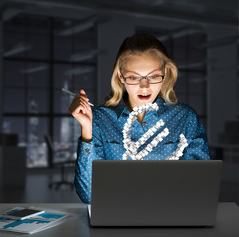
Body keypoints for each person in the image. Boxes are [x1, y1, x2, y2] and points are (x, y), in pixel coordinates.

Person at [69, 33, 210, 204]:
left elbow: (200, 188)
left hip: (171, 216)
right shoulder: (99, 119)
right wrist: (86, 131)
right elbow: (89, 196)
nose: (145, 86)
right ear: (121, 77)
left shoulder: (185, 118)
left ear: (165, 72)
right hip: (116, 217)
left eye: (153, 76)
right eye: (134, 77)